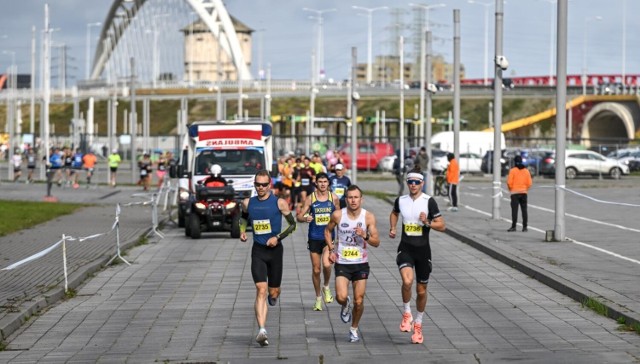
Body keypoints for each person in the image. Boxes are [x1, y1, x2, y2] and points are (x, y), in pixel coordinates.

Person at [239, 170, 297, 347]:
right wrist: (242, 231)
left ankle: (275, 296)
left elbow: (293, 225)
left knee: (272, 292)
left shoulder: (279, 202)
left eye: (264, 184)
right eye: (257, 184)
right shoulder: (248, 203)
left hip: (275, 252)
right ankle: (262, 330)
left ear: (270, 184)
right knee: (260, 290)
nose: (260, 188)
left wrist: (277, 237)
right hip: (258, 251)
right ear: (254, 184)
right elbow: (243, 218)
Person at [389, 166, 446, 344]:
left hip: (423, 251)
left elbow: (442, 225)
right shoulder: (401, 200)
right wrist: (393, 227)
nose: (413, 185)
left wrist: (427, 222)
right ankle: (407, 312)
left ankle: (418, 324)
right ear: (407, 183)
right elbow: (394, 213)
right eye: (410, 182)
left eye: (416, 182)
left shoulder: (429, 201)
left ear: (422, 183)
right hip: (405, 248)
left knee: (421, 291)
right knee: (407, 281)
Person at [324, 185, 380, 343]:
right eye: (350, 197)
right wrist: (331, 248)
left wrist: (365, 236)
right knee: (341, 296)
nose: (353, 200)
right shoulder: (337, 215)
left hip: (361, 263)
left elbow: (377, 242)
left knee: (359, 300)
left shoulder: (368, 217)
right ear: (346, 199)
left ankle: (354, 328)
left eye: (356, 197)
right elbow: (327, 231)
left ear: (361, 199)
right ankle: (344, 304)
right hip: (342, 262)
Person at [296, 172, 340, 311]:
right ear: (316, 183)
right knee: (316, 270)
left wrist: (340, 237)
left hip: (328, 237)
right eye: (320, 182)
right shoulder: (311, 198)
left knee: (327, 265)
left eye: (325, 182)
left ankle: (326, 286)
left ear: (328, 183)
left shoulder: (334, 198)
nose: (322, 184)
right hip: (314, 237)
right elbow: (299, 216)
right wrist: (305, 218)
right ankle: (318, 299)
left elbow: (339, 217)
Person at [507, 155, 532, 232]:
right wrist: (525, 189)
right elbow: (529, 183)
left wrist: (511, 189)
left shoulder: (512, 170)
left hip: (514, 193)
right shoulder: (526, 171)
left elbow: (509, 182)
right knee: (524, 210)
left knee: (514, 210)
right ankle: (525, 227)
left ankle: (514, 226)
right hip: (524, 193)